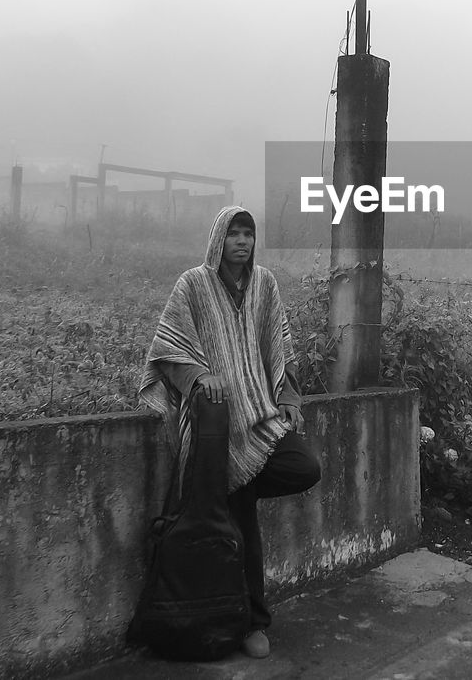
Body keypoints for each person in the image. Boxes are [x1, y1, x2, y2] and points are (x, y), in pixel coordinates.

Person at [138, 206, 321, 660]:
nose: (242, 242)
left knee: (304, 466)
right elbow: (168, 345)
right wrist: (200, 374)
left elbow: (280, 343)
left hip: (258, 421)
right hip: (216, 429)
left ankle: (239, 484)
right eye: (234, 233)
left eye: (248, 234)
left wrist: (289, 400)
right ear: (218, 237)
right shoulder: (193, 284)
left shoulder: (265, 284)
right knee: (242, 534)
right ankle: (251, 624)